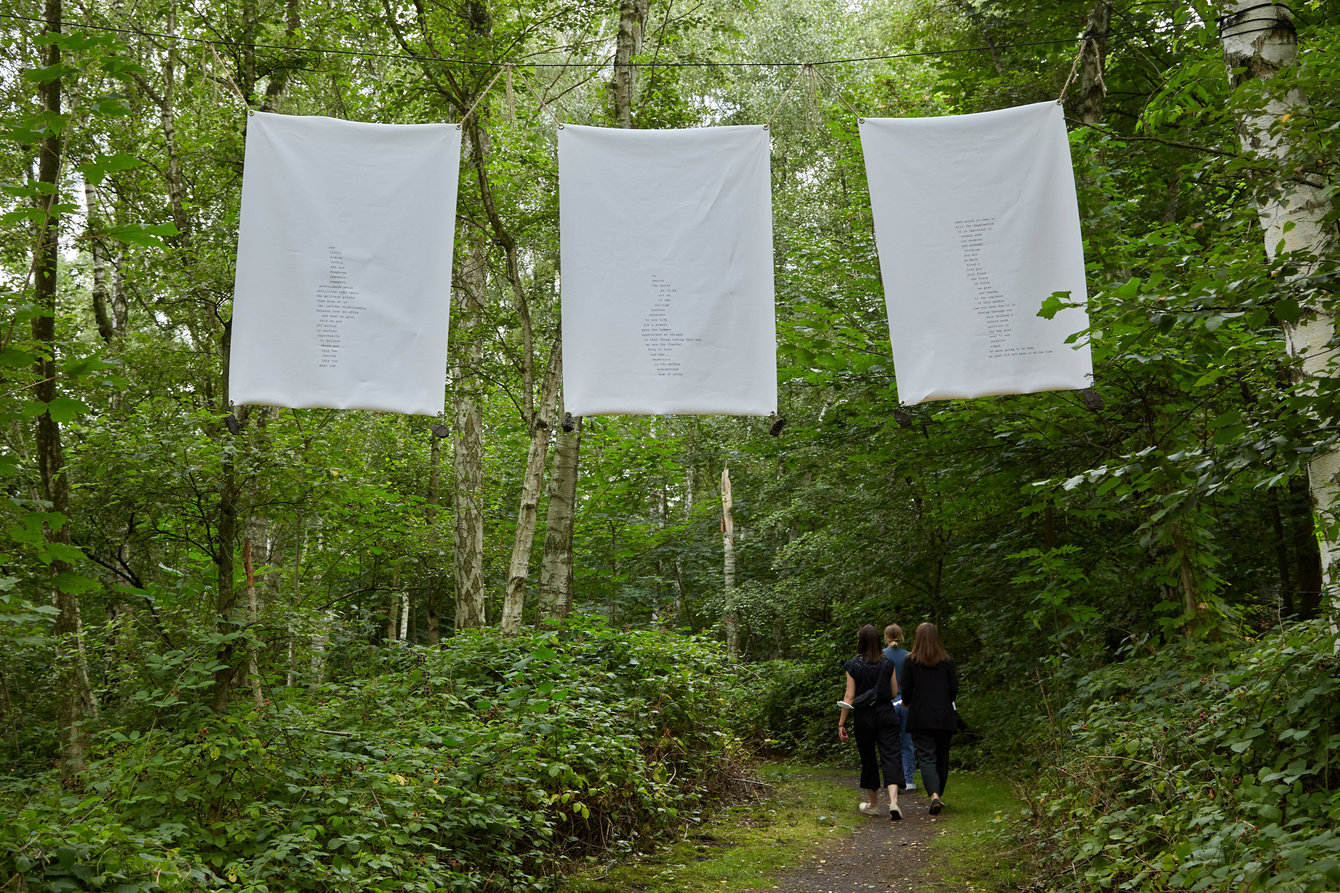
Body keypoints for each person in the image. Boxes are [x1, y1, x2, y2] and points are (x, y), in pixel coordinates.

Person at [837, 624, 904, 820]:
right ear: (877, 640)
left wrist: (841, 723)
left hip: (864, 716)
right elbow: (893, 692)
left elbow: (849, 696)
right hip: (886, 712)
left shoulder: (853, 665)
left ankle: (873, 804)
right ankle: (893, 802)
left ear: (860, 641)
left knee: (868, 758)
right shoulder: (888, 663)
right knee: (891, 754)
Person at [901, 621, 958, 815]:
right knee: (942, 757)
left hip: (920, 716)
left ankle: (934, 795)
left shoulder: (910, 661)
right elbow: (953, 690)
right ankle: (938, 795)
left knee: (926, 758)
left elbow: (906, 689)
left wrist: (907, 702)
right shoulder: (947, 661)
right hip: (944, 716)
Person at [883, 624, 917, 792]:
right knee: (907, 742)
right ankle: (908, 779)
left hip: (888, 704)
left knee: (889, 743)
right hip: (906, 703)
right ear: (901, 636)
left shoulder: (881, 656)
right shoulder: (909, 656)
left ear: (885, 637)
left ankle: (892, 780)